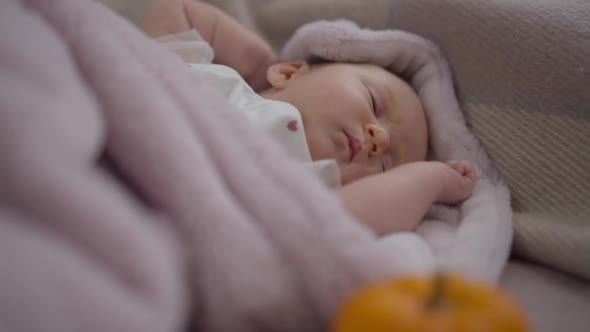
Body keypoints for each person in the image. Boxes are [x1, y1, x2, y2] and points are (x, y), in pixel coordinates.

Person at [140, 0, 476, 236]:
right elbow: (174, 9)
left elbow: (362, 215)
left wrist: (431, 180)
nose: (381, 140)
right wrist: (261, 66)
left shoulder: (313, 188)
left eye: (388, 166)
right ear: (288, 72)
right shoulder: (219, 80)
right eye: (375, 103)